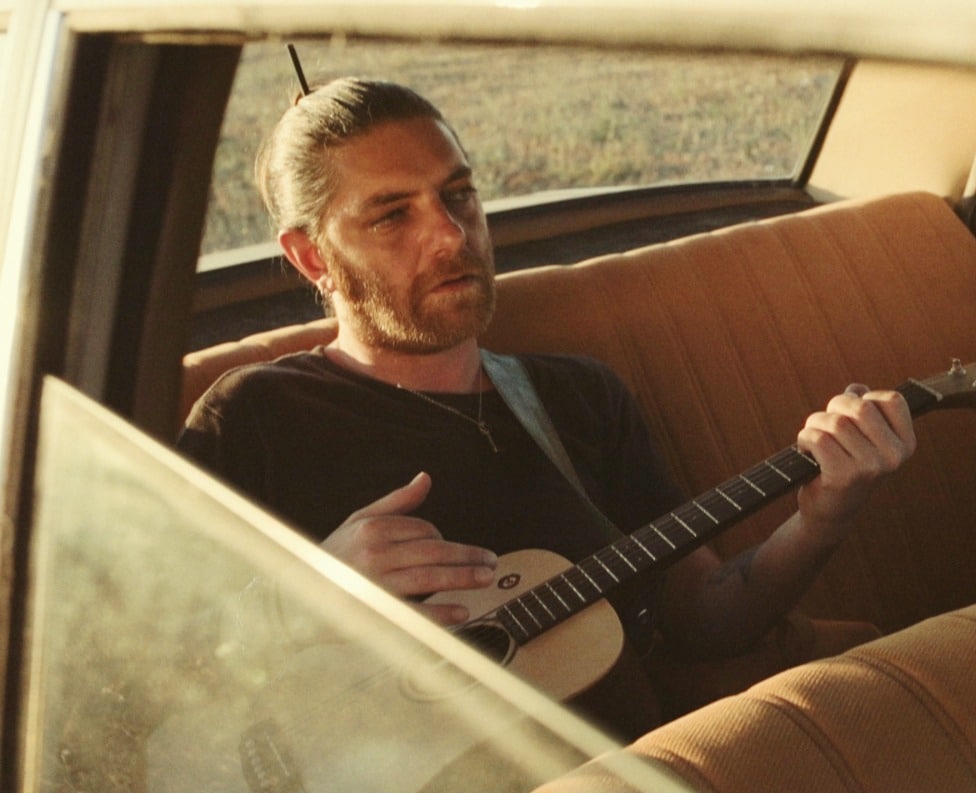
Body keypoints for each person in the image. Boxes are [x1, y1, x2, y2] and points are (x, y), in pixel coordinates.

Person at [178, 77, 916, 741]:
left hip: (650, 781)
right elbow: (146, 665)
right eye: (392, 216)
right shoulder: (256, 417)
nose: (451, 235)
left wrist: (823, 517)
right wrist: (296, 603)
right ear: (313, 257)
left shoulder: (577, 399)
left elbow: (705, 619)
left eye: (458, 194)